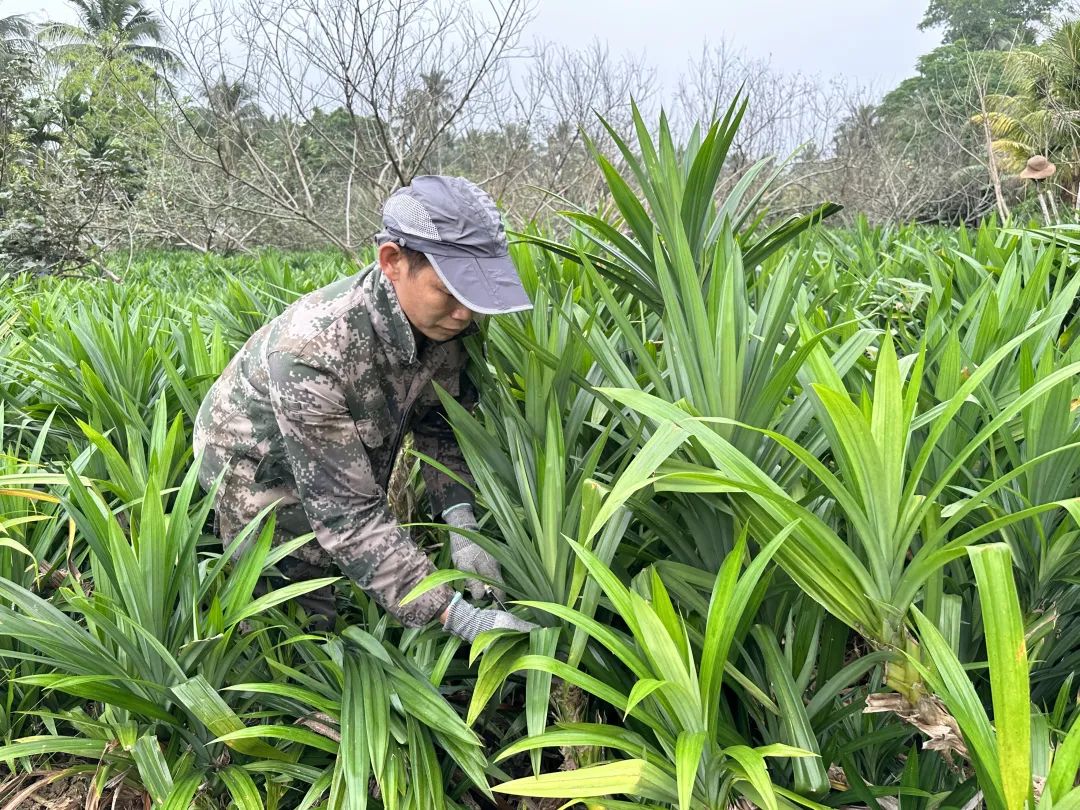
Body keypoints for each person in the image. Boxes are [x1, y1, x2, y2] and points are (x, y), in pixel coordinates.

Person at [192, 175, 537, 641]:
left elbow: (443, 422)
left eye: (474, 296)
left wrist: (460, 517)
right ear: (393, 262)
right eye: (450, 292)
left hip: (339, 455)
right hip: (256, 467)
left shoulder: (444, 326)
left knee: (358, 561)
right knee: (302, 615)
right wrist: (457, 615)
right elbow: (347, 515)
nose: (465, 314)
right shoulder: (313, 355)